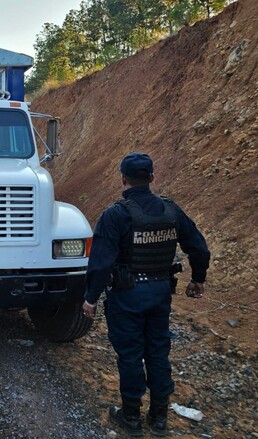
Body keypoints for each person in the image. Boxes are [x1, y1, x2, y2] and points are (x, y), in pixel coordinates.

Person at [82, 152, 210, 437]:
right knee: (158, 352)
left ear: (123, 179)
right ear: (152, 177)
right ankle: (160, 418)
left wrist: (90, 298)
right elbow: (199, 248)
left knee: (129, 355)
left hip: (127, 295)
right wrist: (198, 279)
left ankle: (130, 417)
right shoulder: (171, 211)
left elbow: (100, 262)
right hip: (160, 293)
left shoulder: (116, 214)